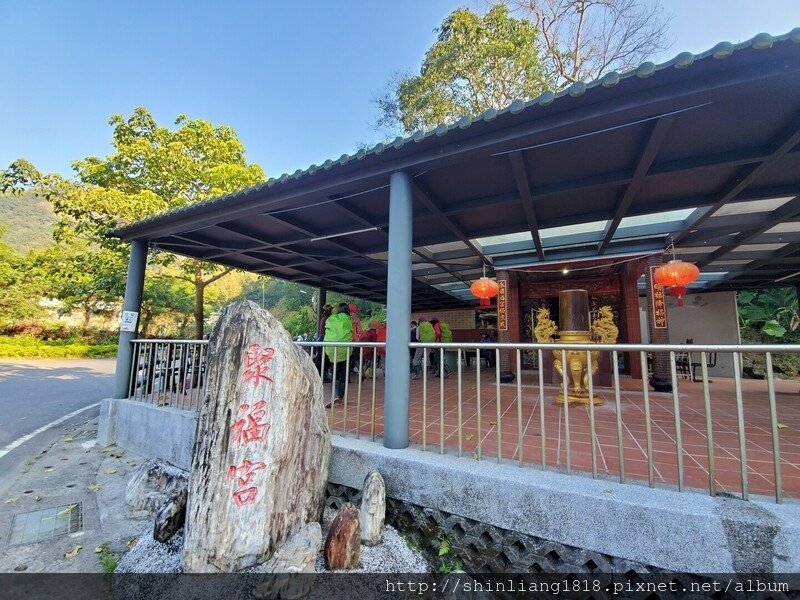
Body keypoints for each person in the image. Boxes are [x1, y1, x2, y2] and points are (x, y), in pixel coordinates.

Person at [324, 303, 353, 406]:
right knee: (344, 375)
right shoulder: (349, 320)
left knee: (335, 373)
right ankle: (340, 397)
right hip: (345, 350)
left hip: (332, 349)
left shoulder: (331, 318)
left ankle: (334, 395)